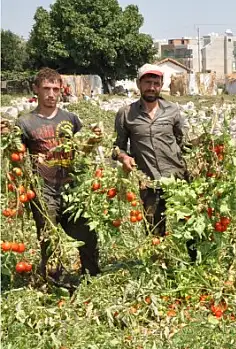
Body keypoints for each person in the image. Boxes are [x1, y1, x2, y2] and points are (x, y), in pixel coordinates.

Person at [17, 68, 100, 286]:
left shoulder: (71, 119)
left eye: (56, 89)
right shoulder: (26, 123)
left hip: (72, 190)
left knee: (87, 234)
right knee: (49, 239)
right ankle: (56, 284)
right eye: (46, 89)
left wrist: (93, 140)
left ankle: (92, 277)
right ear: (36, 90)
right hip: (44, 191)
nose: (51, 94)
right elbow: (17, 158)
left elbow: (82, 150)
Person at [113, 64, 196, 261]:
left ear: (161, 86)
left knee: (189, 226)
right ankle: (160, 268)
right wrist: (124, 157)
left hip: (176, 180)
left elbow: (183, 143)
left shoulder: (173, 111)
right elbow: (116, 148)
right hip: (148, 182)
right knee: (154, 229)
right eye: (147, 82)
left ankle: (194, 263)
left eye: (156, 83)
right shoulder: (126, 114)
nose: (152, 87)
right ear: (139, 84)